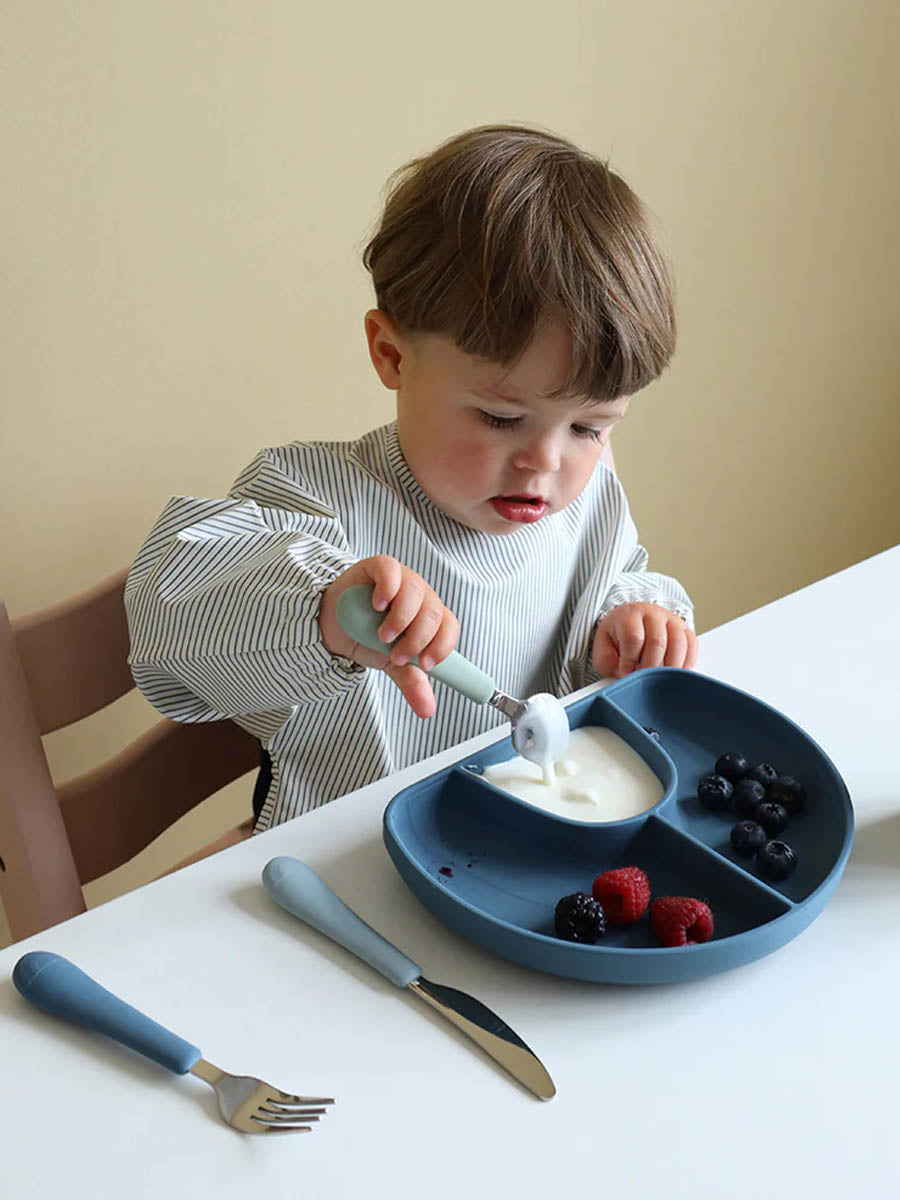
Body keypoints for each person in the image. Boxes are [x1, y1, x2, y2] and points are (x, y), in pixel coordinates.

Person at [125, 124, 698, 837]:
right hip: (347, 874)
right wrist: (323, 611)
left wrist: (636, 621)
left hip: (529, 853)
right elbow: (166, 616)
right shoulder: (317, 497)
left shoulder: (587, 504)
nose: (545, 464)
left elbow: (623, 574)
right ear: (392, 355)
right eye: (499, 417)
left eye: (589, 428)